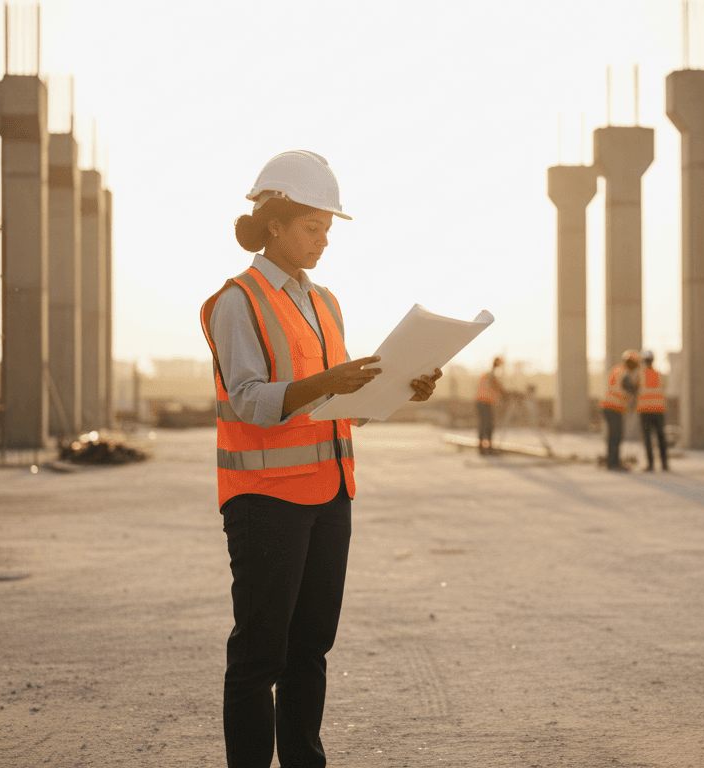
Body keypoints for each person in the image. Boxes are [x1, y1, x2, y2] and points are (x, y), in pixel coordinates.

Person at [199, 150, 442, 768]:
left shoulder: (324, 302)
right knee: (260, 653)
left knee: (311, 649)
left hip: (330, 494)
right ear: (274, 224)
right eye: (313, 227)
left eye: (328, 230)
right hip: (266, 501)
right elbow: (252, 402)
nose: (324, 241)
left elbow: (338, 407)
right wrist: (327, 382)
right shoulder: (239, 302)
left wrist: (400, 388)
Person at [600, 350, 640, 471]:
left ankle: (613, 462)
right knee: (615, 436)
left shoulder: (618, 369)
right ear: (631, 363)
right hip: (613, 407)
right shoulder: (624, 372)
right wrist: (637, 387)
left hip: (612, 407)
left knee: (615, 436)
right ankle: (613, 463)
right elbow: (628, 386)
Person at [636, 350, 667, 471]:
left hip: (645, 410)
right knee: (661, 438)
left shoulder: (640, 374)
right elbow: (664, 388)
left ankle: (650, 464)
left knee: (648, 438)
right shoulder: (659, 374)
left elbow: (635, 388)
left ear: (643, 361)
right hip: (659, 409)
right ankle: (664, 464)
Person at [473, 357, 506, 455]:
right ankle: (485, 448)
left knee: (486, 424)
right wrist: (505, 394)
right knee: (486, 425)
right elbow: (498, 387)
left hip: (482, 402)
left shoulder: (488, 375)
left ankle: (485, 446)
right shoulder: (490, 375)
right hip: (483, 402)